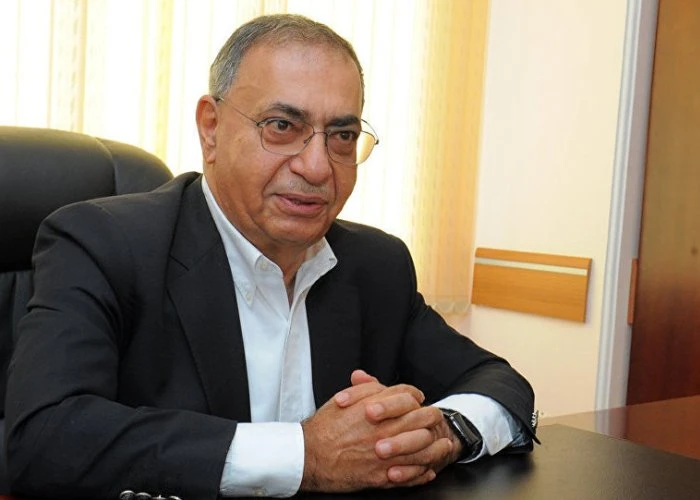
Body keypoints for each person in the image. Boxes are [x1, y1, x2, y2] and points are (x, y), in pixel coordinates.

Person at [5, 13, 537, 500]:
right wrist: (306, 456)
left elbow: (500, 384)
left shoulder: (376, 264)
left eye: (342, 135)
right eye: (282, 126)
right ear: (211, 128)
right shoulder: (103, 243)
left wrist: (442, 432)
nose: (317, 167)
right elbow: (45, 439)